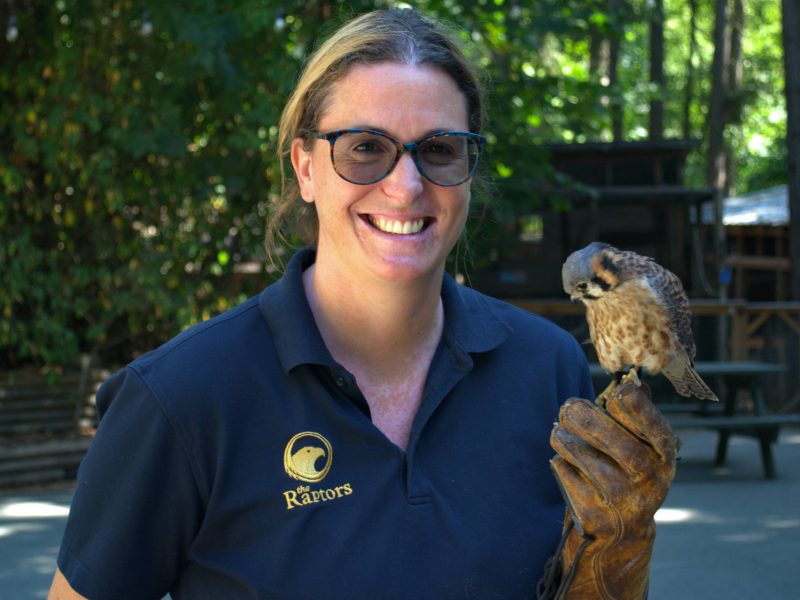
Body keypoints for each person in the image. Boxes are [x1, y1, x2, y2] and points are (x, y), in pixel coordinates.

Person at [49, 8, 677, 599]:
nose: (405, 187)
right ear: (306, 168)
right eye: (364, 147)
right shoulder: (181, 397)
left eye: (438, 149)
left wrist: (619, 562)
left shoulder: (546, 366)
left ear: (468, 170)